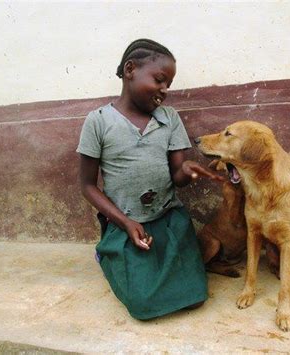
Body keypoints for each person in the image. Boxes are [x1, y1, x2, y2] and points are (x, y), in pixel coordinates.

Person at [76, 38, 223, 320]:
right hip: (125, 223)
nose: (164, 90)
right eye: (159, 80)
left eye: (168, 84)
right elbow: (87, 185)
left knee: (194, 297)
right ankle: (108, 255)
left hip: (168, 220)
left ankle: (150, 264)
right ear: (130, 70)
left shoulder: (169, 118)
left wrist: (188, 171)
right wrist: (126, 222)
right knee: (143, 305)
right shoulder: (99, 121)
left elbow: (178, 176)